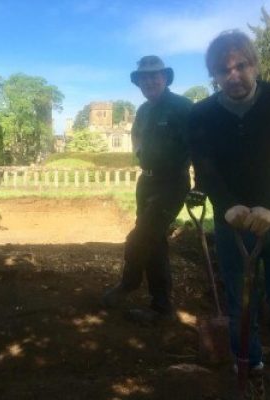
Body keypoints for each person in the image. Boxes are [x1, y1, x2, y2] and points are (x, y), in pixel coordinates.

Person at [188, 30, 270, 400]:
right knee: (242, 302)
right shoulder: (202, 114)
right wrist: (227, 205)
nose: (234, 75)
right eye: (223, 70)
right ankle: (249, 364)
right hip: (235, 223)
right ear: (214, 75)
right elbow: (205, 168)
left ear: (255, 64)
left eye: (241, 65)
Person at [100, 55, 192, 323]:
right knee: (155, 241)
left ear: (165, 78)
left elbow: (199, 146)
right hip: (147, 182)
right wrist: (139, 151)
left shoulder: (182, 107)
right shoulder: (143, 110)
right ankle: (161, 305)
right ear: (138, 82)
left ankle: (129, 283)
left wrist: (201, 187)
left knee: (141, 237)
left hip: (172, 182)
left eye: (155, 75)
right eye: (144, 77)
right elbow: (136, 134)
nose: (149, 81)